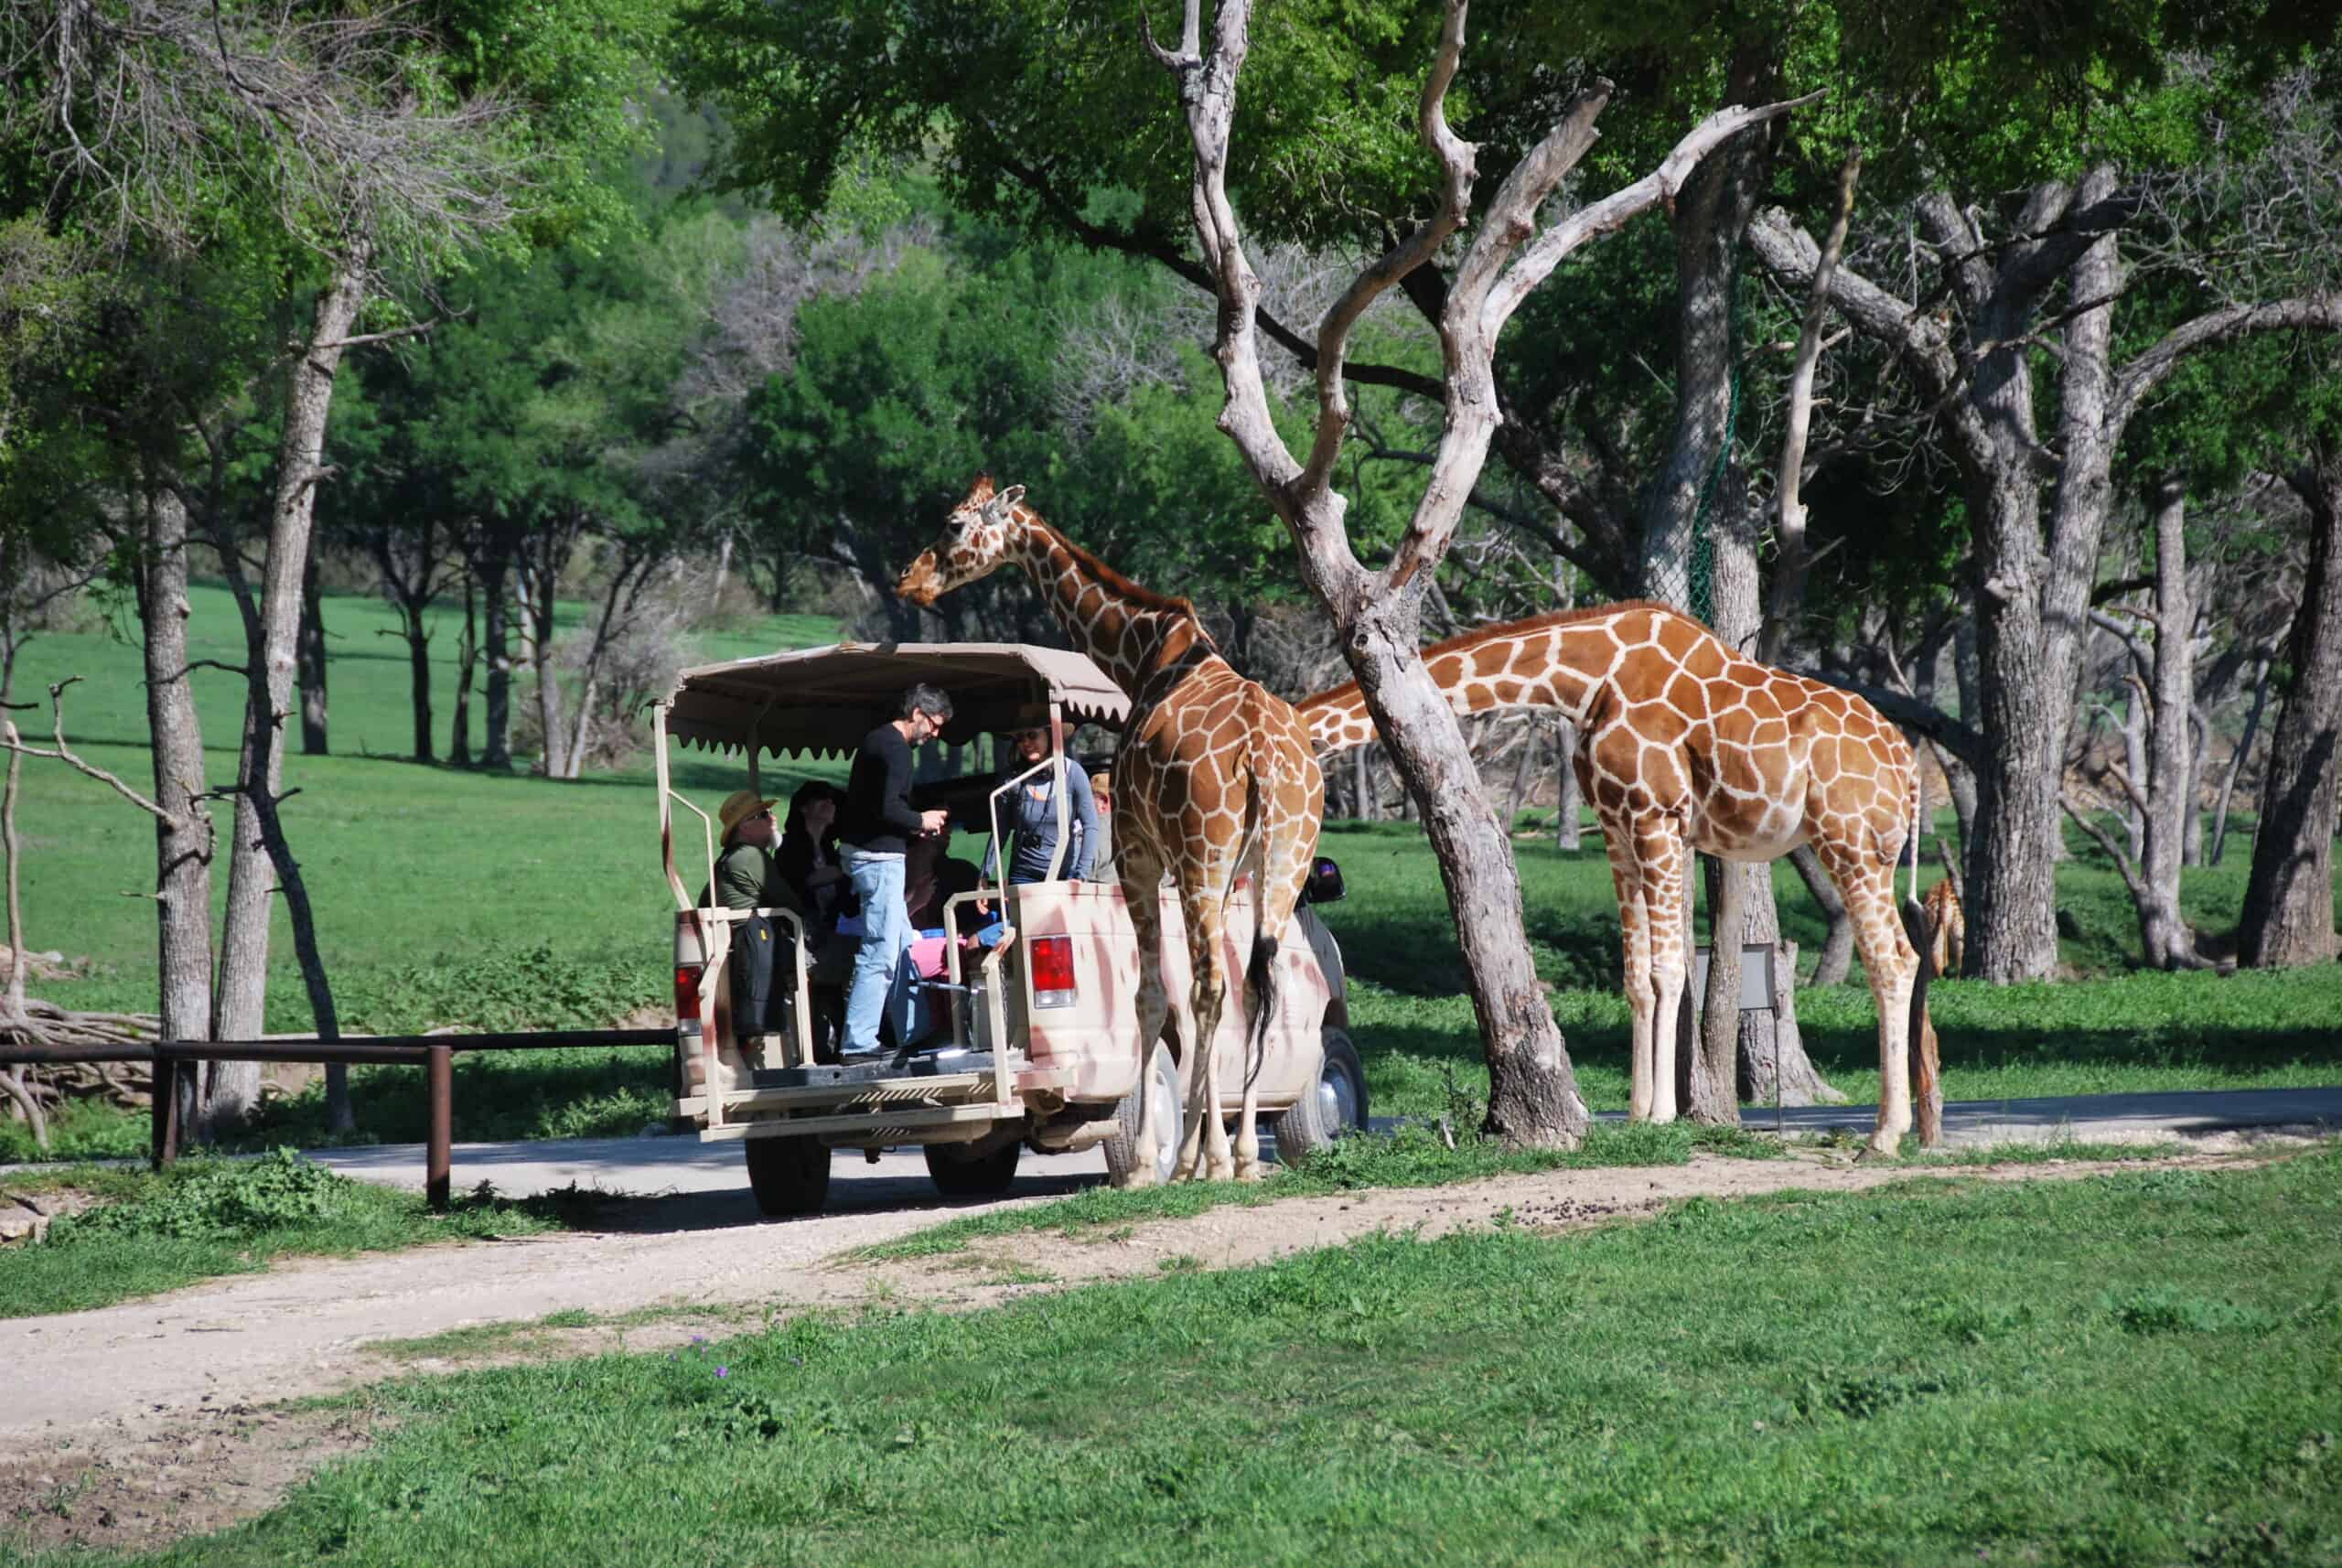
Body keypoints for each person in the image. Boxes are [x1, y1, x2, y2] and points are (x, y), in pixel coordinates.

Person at [837, 683, 954, 1056]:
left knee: (903, 945)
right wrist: (922, 818)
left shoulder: (875, 742)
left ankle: (914, 1033)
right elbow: (888, 808)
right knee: (881, 951)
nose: (935, 734)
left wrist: (913, 825)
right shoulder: (896, 750)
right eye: (934, 725)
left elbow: (875, 809)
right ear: (917, 713)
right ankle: (858, 1042)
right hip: (879, 860)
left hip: (867, 854)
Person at [968, 726, 1098, 950]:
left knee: (1061, 940)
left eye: (1032, 735)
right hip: (1024, 876)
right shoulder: (1012, 780)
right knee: (1021, 942)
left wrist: (1081, 876)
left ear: (1050, 734)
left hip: (1064, 876)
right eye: (1019, 737)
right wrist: (984, 875)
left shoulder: (1072, 773)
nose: (1026, 743)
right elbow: (1000, 830)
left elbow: (1092, 826)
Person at [777, 780, 850, 932]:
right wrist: (844, 870)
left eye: (833, 800)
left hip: (834, 924)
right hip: (799, 925)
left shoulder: (828, 847)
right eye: (821, 797)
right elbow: (799, 882)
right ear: (803, 807)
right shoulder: (789, 844)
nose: (829, 802)